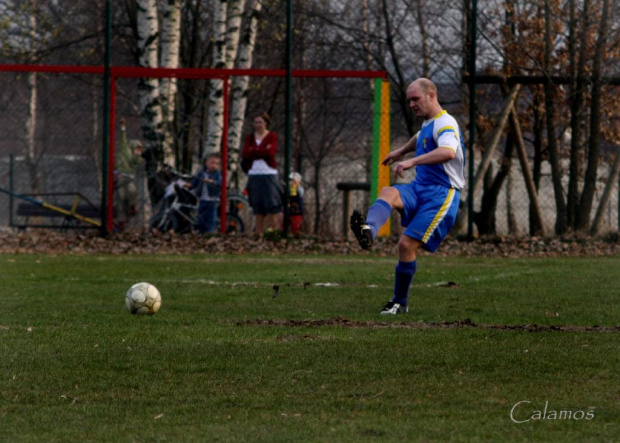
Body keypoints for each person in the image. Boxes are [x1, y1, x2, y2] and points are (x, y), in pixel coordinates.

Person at [350, 78, 465, 315]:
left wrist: (411, 160)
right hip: (420, 187)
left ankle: (399, 302)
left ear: (431, 95)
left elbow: (447, 151)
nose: (412, 104)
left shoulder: (447, 123)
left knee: (405, 245)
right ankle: (369, 232)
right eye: (409, 100)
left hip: (441, 195)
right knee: (389, 192)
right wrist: (402, 150)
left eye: (416, 99)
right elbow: (420, 137)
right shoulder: (429, 124)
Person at [241, 112, 283, 234]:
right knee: (257, 205)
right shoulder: (250, 138)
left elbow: (270, 153)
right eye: (255, 122)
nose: (258, 125)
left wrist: (253, 151)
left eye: (260, 122)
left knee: (272, 204)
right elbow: (245, 154)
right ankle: (258, 233)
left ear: (266, 123)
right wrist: (261, 151)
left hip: (269, 172)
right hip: (254, 173)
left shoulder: (272, 136)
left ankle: (273, 232)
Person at [115, 118, 144, 230]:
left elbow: (135, 162)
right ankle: (121, 221)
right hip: (121, 176)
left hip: (129, 178)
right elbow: (123, 140)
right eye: (137, 148)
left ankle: (132, 207)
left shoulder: (137, 157)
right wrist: (123, 128)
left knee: (131, 192)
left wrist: (138, 155)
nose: (138, 151)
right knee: (121, 198)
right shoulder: (125, 149)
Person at [190, 153, 222, 234]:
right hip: (203, 198)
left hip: (212, 199)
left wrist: (212, 181)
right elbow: (195, 182)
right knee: (201, 215)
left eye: (216, 164)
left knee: (210, 217)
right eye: (212, 163)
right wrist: (190, 185)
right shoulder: (201, 173)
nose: (214, 165)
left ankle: (210, 232)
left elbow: (220, 182)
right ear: (206, 163)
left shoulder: (217, 174)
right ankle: (202, 231)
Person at [287, 171, 304, 236]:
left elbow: (301, 193)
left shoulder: (299, 189)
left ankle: (296, 234)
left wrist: (297, 186)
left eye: (293, 181)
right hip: (288, 210)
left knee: (295, 225)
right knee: (284, 224)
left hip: (297, 211)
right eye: (291, 180)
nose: (292, 182)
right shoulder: (288, 189)